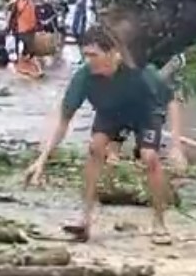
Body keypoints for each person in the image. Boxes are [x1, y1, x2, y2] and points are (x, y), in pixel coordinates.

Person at [23, 27, 186, 244]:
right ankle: (84, 220)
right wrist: (41, 161)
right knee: (95, 147)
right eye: (86, 55)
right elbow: (64, 120)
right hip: (110, 113)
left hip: (145, 113)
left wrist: (176, 146)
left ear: (112, 53)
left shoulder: (139, 72)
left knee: (150, 157)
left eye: (94, 55)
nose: (89, 61)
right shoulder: (84, 77)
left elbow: (171, 100)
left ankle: (159, 222)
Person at [6, 0, 43, 78]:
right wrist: (9, 28)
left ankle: (32, 69)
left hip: (30, 30)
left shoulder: (31, 3)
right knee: (24, 50)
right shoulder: (15, 4)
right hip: (19, 30)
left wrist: (39, 28)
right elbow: (10, 16)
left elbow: (36, 16)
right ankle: (25, 68)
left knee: (29, 51)